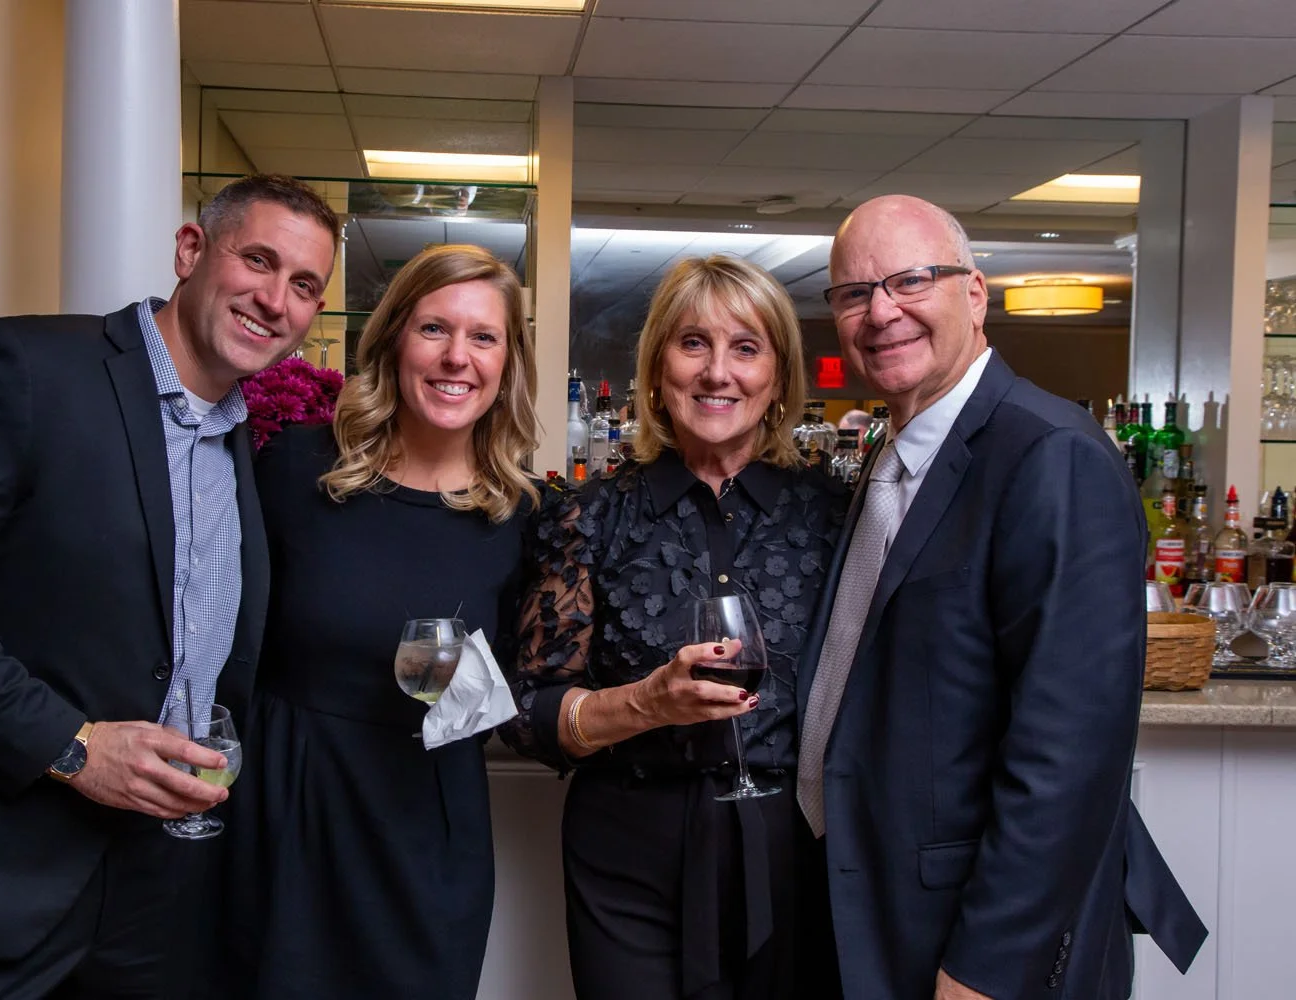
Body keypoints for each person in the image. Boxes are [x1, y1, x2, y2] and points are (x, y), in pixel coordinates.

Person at [0, 173, 340, 999]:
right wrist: (74, 747)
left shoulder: (245, 441)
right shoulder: (28, 366)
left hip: (156, 893)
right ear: (191, 250)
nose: (276, 300)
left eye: (305, 286)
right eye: (259, 261)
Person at [796, 194, 1206, 999]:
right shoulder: (891, 451)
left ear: (975, 294)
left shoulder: (1052, 457)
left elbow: (1069, 760)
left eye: (911, 281)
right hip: (877, 911)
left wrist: (985, 972)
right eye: (854, 292)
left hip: (979, 946)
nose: (881, 313)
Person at [501, 254, 847, 1000]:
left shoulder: (835, 518)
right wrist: (643, 705)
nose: (718, 372)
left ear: (779, 378)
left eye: (746, 348)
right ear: (657, 369)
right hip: (628, 853)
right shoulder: (586, 516)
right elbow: (529, 714)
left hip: (797, 851)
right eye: (693, 344)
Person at [220, 244, 540, 999]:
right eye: (434, 329)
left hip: (425, 831)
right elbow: (218, 637)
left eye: (483, 337)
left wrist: (478, 690)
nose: (456, 357)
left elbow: (530, 691)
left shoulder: (525, 517)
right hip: (284, 811)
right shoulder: (295, 468)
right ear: (394, 338)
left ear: (507, 362)